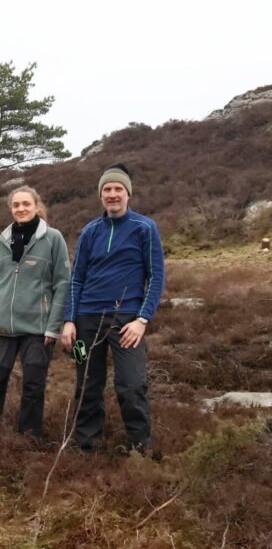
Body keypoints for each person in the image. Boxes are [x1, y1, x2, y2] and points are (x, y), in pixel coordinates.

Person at [60, 163, 165, 455]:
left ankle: (139, 448)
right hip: (85, 321)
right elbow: (76, 278)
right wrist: (69, 320)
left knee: (131, 385)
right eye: (107, 189)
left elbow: (156, 277)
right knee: (86, 385)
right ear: (101, 195)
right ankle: (87, 445)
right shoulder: (89, 231)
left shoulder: (145, 228)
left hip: (126, 321)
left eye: (118, 188)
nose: (112, 194)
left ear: (128, 193)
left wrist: (142, 320)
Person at [0, 186, 70, 467]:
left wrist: (54, 327)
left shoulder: (52, 239)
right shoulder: (3, 240)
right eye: (16, 205)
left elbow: (62, 283)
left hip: (38, 329)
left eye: (26, 204)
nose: (21, 209)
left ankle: (28, 444)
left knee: (33, 386)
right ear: (11, 209)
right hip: (3, 328)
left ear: (37, 206)